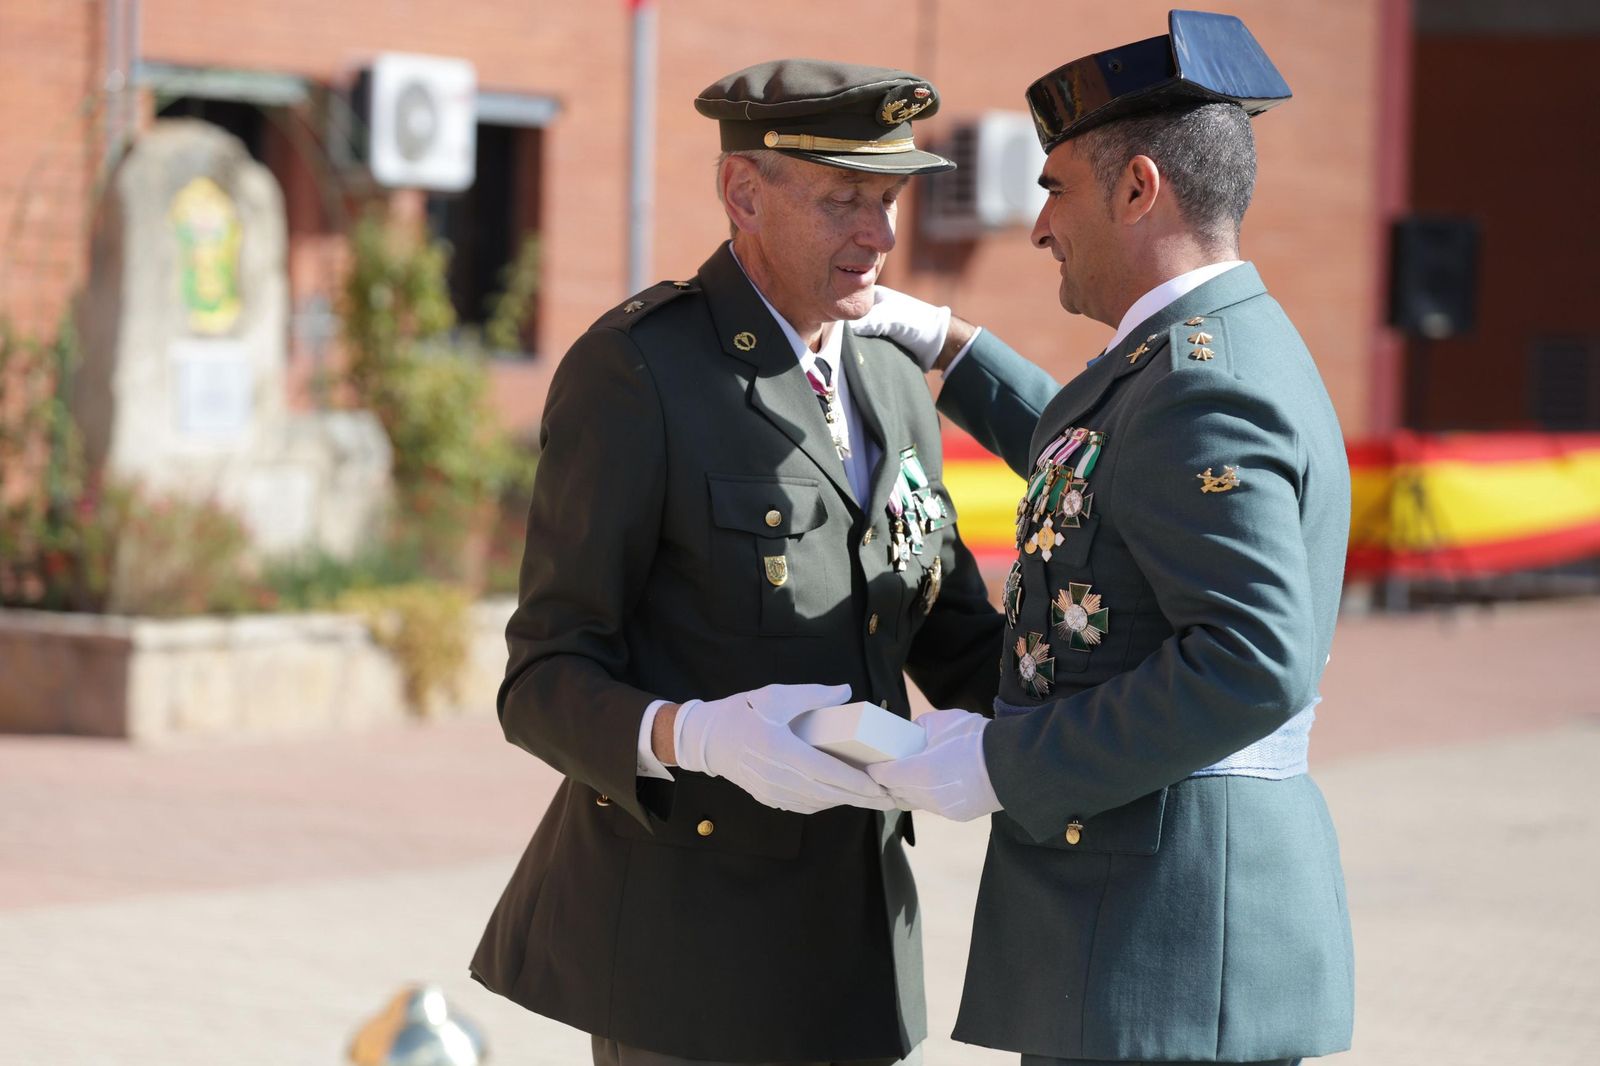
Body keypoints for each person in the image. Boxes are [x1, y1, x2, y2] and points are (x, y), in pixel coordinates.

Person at [469, 59, 1003, 1066]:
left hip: (853, 946)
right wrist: (692, 734)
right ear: (742, 193)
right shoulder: (644, 372)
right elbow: (541, 677)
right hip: (688, 957)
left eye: (886, 200)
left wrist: (1127, 700)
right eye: (845, 198)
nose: (879, 236)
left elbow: (954, 632)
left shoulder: (890, 378)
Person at [857, 11, 1355, 1065]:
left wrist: (1002, 761)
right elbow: (1105, 465)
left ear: (1138, 188)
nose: (1039, 227)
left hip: (1164, 946)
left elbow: (1250, 662)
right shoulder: (1194, 357)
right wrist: (954, 349)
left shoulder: (1199, 379)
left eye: (1056, 190)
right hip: (1153, 927)